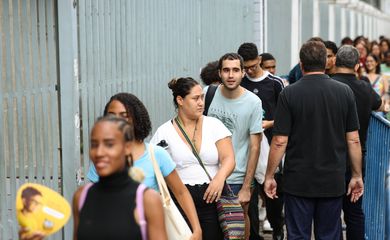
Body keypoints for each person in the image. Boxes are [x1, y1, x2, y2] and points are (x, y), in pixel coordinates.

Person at [264, 41, 364, 239]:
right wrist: (356, 175)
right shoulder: (344, 92)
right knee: (329, 235)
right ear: (326, 62)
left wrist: (269, 176)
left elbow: (279, 141)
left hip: (297, 180)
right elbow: (353, 140)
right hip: (332, 179)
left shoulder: (289, 94)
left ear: (301, 65)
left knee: (298, 235)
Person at [86, 93, 202, 239]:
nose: (117, 121)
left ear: (136, 119)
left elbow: (181, 192)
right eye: (111, 115)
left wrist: (197, 229)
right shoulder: (102, 159)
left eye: (124, 115)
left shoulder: (156, 154)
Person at [151, 77, 236, 240]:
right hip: (180, 200)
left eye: (202, 97)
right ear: (180, 100)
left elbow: (229, 158)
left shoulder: (214, 125)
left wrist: (220, 178)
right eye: (195, 98)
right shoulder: (164, 132)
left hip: (212, 197)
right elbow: (157, 169)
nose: (201, 103)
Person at [73, 116, 167, 240]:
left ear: (127, 148)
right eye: (94, 145)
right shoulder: (81, 196)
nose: (99, 152)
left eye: (109, 144)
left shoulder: (147, 200)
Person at [204, 52, 263, 239]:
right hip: (208, 174)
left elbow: (255, 147)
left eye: (236, 70)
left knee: (238, 225)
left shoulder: (253, 102)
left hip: (237, 179)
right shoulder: (207, 94)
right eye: (226, 70)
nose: (231, 75)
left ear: (243, 73)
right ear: (219, 73)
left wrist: (247, 186)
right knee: (210, 226)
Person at [332, 45, 384, 240]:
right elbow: (379, 105)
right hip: (357, 159)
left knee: (331, 212)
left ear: (335, 61)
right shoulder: (363, 87)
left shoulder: (329, 85)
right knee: (354, 212)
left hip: (330, 158)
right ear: (356, 65)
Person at [237, 43, 284, 240]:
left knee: (272, 194)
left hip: (271, 145)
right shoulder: (239, 82)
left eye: (252, 66)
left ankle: (277, 227)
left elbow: (285, 115)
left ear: (259, 60)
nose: (248, 71)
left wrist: (268, 124)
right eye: (244, 68)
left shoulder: (275, 83)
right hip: (247, 147)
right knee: (250, 195)